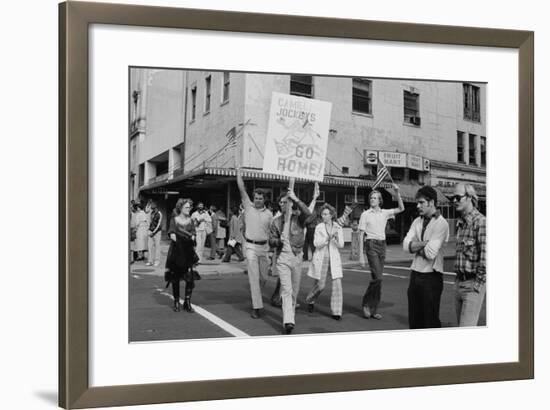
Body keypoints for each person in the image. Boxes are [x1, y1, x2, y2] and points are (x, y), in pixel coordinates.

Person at [403, 186, 449, 329]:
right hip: (415, 274)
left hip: (432, 277)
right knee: (414, 321)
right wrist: (424, 243)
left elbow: (431, 253)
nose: (418, 206)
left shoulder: (442, 223)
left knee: (430, 321)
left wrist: (414, 246)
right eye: (418, 202)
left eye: (421, 202)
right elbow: (405, 246)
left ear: (432, 202)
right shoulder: (417, 221)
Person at [269, 189, 313, 334]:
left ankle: (290, 315)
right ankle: (288, 321)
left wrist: (296, 198)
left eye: (285, 202)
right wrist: (278, 240)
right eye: (280, 202)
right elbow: (271, 240)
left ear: (290, 204)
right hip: (283, 259)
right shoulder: (276, 221)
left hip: (297, 256)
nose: (282, 205)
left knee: (294, 291)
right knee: (286, 290)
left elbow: (309, 214)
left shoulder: (298, 218)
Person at [358, 185, 404, 319]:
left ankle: (374, 309)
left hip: (382, 245)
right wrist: (361, 256)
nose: (372, 200)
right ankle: (366, 304)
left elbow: (401, 208)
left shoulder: (385, 213)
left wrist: (397, 192)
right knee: (378, 277)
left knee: (377, 279)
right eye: (371, 198)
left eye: (375, 198)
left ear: (379, 200)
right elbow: (361, 235)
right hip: (371, 244)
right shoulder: (365, 214)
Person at [236, 168, 274, 319]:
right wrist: (238, 173)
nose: (258, 200)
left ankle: (257, 293)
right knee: (253, 278)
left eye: (260, 198)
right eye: (256, 198)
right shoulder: (248, 206)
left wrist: (272, 250)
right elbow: (241, 188)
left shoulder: (269, 214)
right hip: (250, 247)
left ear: (264, 199)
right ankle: (256, 306)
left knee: (264, 278)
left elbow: (273, 232)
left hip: (264, 248)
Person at [453, 183, 486, 326]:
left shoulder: (481, 222)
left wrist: (476, 287)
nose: (454, 200)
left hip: (472, 285)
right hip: (458, 283)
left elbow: (486, 259)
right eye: (453, 197)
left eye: (458, 197)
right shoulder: (461, 223)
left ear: (469, 198)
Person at [305, 203, 345, 320]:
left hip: (334, 259)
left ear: (332, 215)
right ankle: (310, 300)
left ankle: (336, 312)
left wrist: (336, 239)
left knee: (337, 285)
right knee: (320, 285)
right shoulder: (319, 227)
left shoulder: (338, 227)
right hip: (321, 259)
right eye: (322, 214)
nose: (324, 216)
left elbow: (341, 245)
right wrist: (327, 238)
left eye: (326, 214)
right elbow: (316, 244)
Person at [165, 198, 198, 312]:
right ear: (180, 208)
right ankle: (176, 301)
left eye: (189, 207)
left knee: (189, 277)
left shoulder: (191, 220)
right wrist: (175, 236)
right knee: (175, 277)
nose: (189, 209)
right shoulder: (174, 220)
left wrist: (193, 236)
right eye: (186, 207)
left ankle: (187, 302)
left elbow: (194, 232)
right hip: (177, 251)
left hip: (188, 251)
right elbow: (171, 232)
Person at [146, 201, 163, 267]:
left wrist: (153, 233)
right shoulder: (151, 213)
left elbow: (159, 225)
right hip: (150, 231)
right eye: (151, 208)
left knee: (157, 246)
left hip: (157, 232)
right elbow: (146, 210)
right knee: (149, 247)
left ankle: (157, 261)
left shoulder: (159, 214)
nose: (151, 209)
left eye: (152, 208)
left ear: (156, 208)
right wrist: (149, 230)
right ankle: (150, 261)